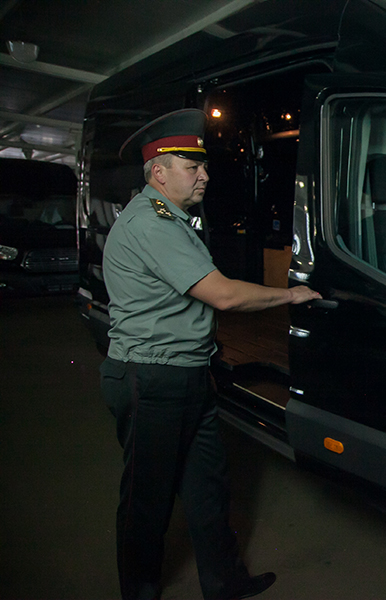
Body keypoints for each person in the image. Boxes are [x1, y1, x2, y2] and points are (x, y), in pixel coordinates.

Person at [99, 108, 320, 600]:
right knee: (146, 499)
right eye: (191, 166)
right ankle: (139, 591)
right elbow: (222, 295)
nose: (204, 175)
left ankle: (224, 583)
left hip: (185, 373)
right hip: (150, 378)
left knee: (207, 487)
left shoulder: (172, 220)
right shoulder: (153, 222)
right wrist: (289, 294)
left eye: (203, 166)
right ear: (159, 172)